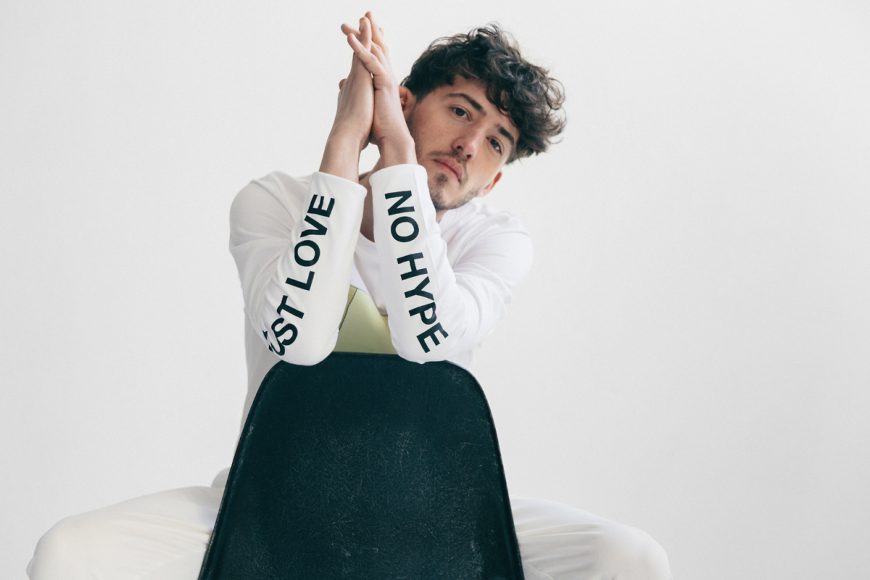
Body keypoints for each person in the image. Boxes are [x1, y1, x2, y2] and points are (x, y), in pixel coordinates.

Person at [26, 12, 672, 579]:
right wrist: (345, 142)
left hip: (439, 510)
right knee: (69, 554)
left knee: (629, 559)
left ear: (494, 180)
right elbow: (299, 341)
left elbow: (428, 342)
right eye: (461, 110)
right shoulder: (274, 203)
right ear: (402, 101)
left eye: (496, 142)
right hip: (268, 502)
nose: (469, 145)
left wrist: (398, 162)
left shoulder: (496, 240)